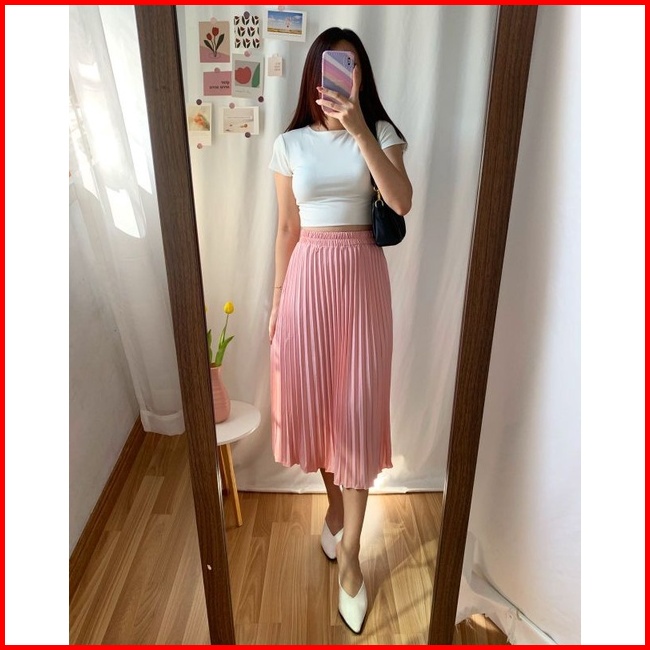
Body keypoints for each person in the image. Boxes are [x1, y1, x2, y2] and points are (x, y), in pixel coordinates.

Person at [268, 27, 412, 634]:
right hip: (306, 283)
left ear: (361, 76)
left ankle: (350, 556)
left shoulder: (380, 132)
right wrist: (276, 302)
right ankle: (334, 511)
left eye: (350, 67)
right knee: (322, 410)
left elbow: (400, 201)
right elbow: (286, 228)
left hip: (361, 281)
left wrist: (359, 131)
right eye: (332, 65)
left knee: (355, 412)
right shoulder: (289, 143)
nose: (340, 76)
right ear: (314, 73)